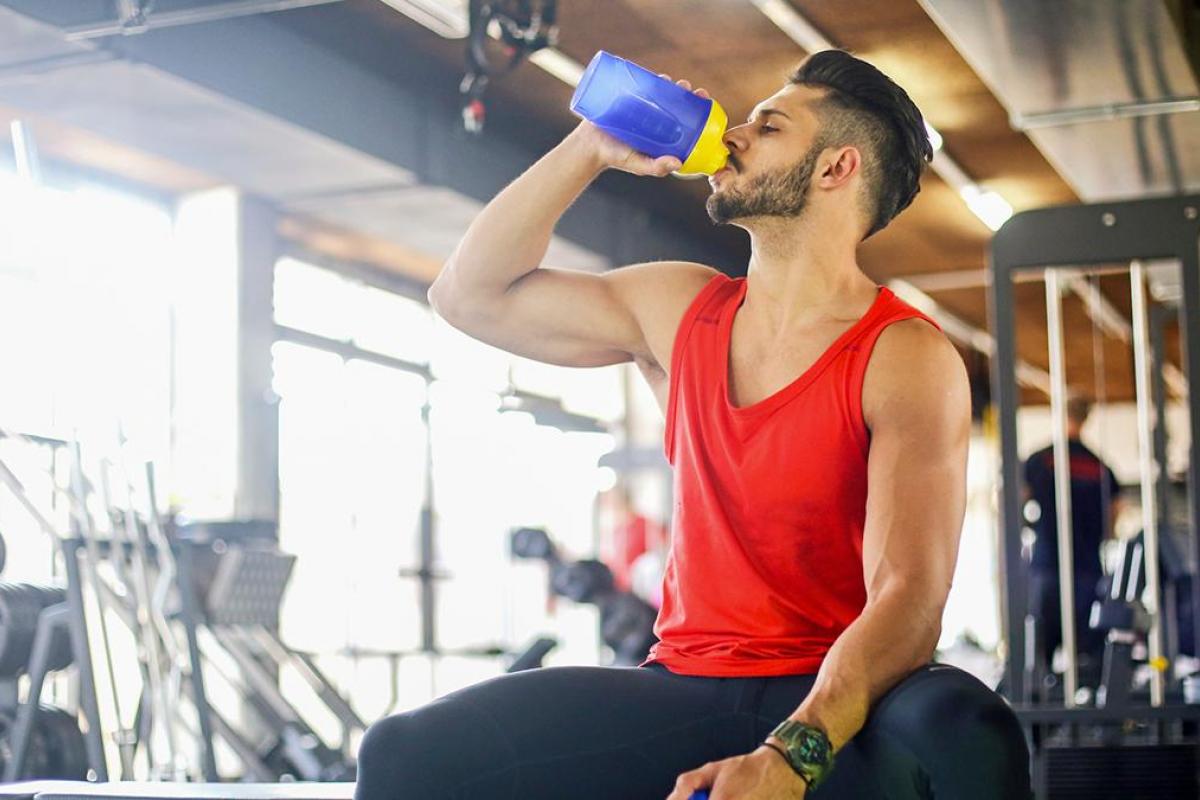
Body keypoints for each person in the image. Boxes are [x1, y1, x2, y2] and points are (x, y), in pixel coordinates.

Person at [355, 49, 1030, 799]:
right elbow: (467, 296)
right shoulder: (678, 308)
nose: (734, 135)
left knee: (970, 732)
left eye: (768, 127)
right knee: (404, 754)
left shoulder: (902, 354)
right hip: (688, 683)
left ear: (837, 169)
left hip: (841, 701)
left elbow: (909, 597)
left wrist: (791, 757)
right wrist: (591, 148)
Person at [1023, 394, 1122, 684]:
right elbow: (1114, 513)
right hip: (1087, 566)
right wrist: (1101, 535)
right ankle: (1087, 702)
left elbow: (1018, 498)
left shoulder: (1040, 459)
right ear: (1086, 418)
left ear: (1062, 416)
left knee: (1042, 653)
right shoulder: (1099, 466)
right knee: (1088, 652)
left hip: (1048, 564)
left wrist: (1030, 525)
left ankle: (1044, 707)